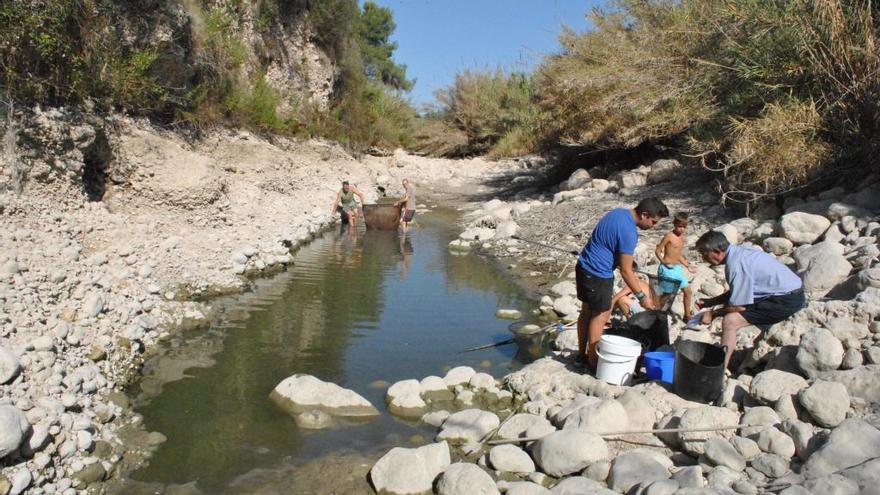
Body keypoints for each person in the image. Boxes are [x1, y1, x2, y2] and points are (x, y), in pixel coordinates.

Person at [575, 197, 669, 369]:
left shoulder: (618, 213)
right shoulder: (629, 233)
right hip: (598, 274)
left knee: (586, 311)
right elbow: (626, 270)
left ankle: (581, 355)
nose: (653, 226)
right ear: (644, 215)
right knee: (601, 316)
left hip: (583, 266)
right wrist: (642, 297)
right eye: (653, 222)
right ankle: (593, 363)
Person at [694, 231, 805, 368]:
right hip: (790, 292)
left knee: (730, 321)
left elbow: (739, 306)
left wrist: (713, 314)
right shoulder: (740, 251)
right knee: (734, 309)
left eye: (705, 254)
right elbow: (740, 290)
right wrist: (711, 302)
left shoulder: (735, 265)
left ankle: (719, 369)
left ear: (717, 251)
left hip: (786, 300)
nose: (704, 259)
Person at [655, 212, 697, 320]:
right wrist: (663, 263)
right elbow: (658, 251)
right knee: (666, 295)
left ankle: (687, 316)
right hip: (667, 269)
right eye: (680, 226)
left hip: (677, 269)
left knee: (688, 291)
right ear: (675, 224)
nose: (682, 229)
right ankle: (658, 315)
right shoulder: (669, 236)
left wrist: (687, 265)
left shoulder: (682, 238)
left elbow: (678, 255)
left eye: (684, 227)